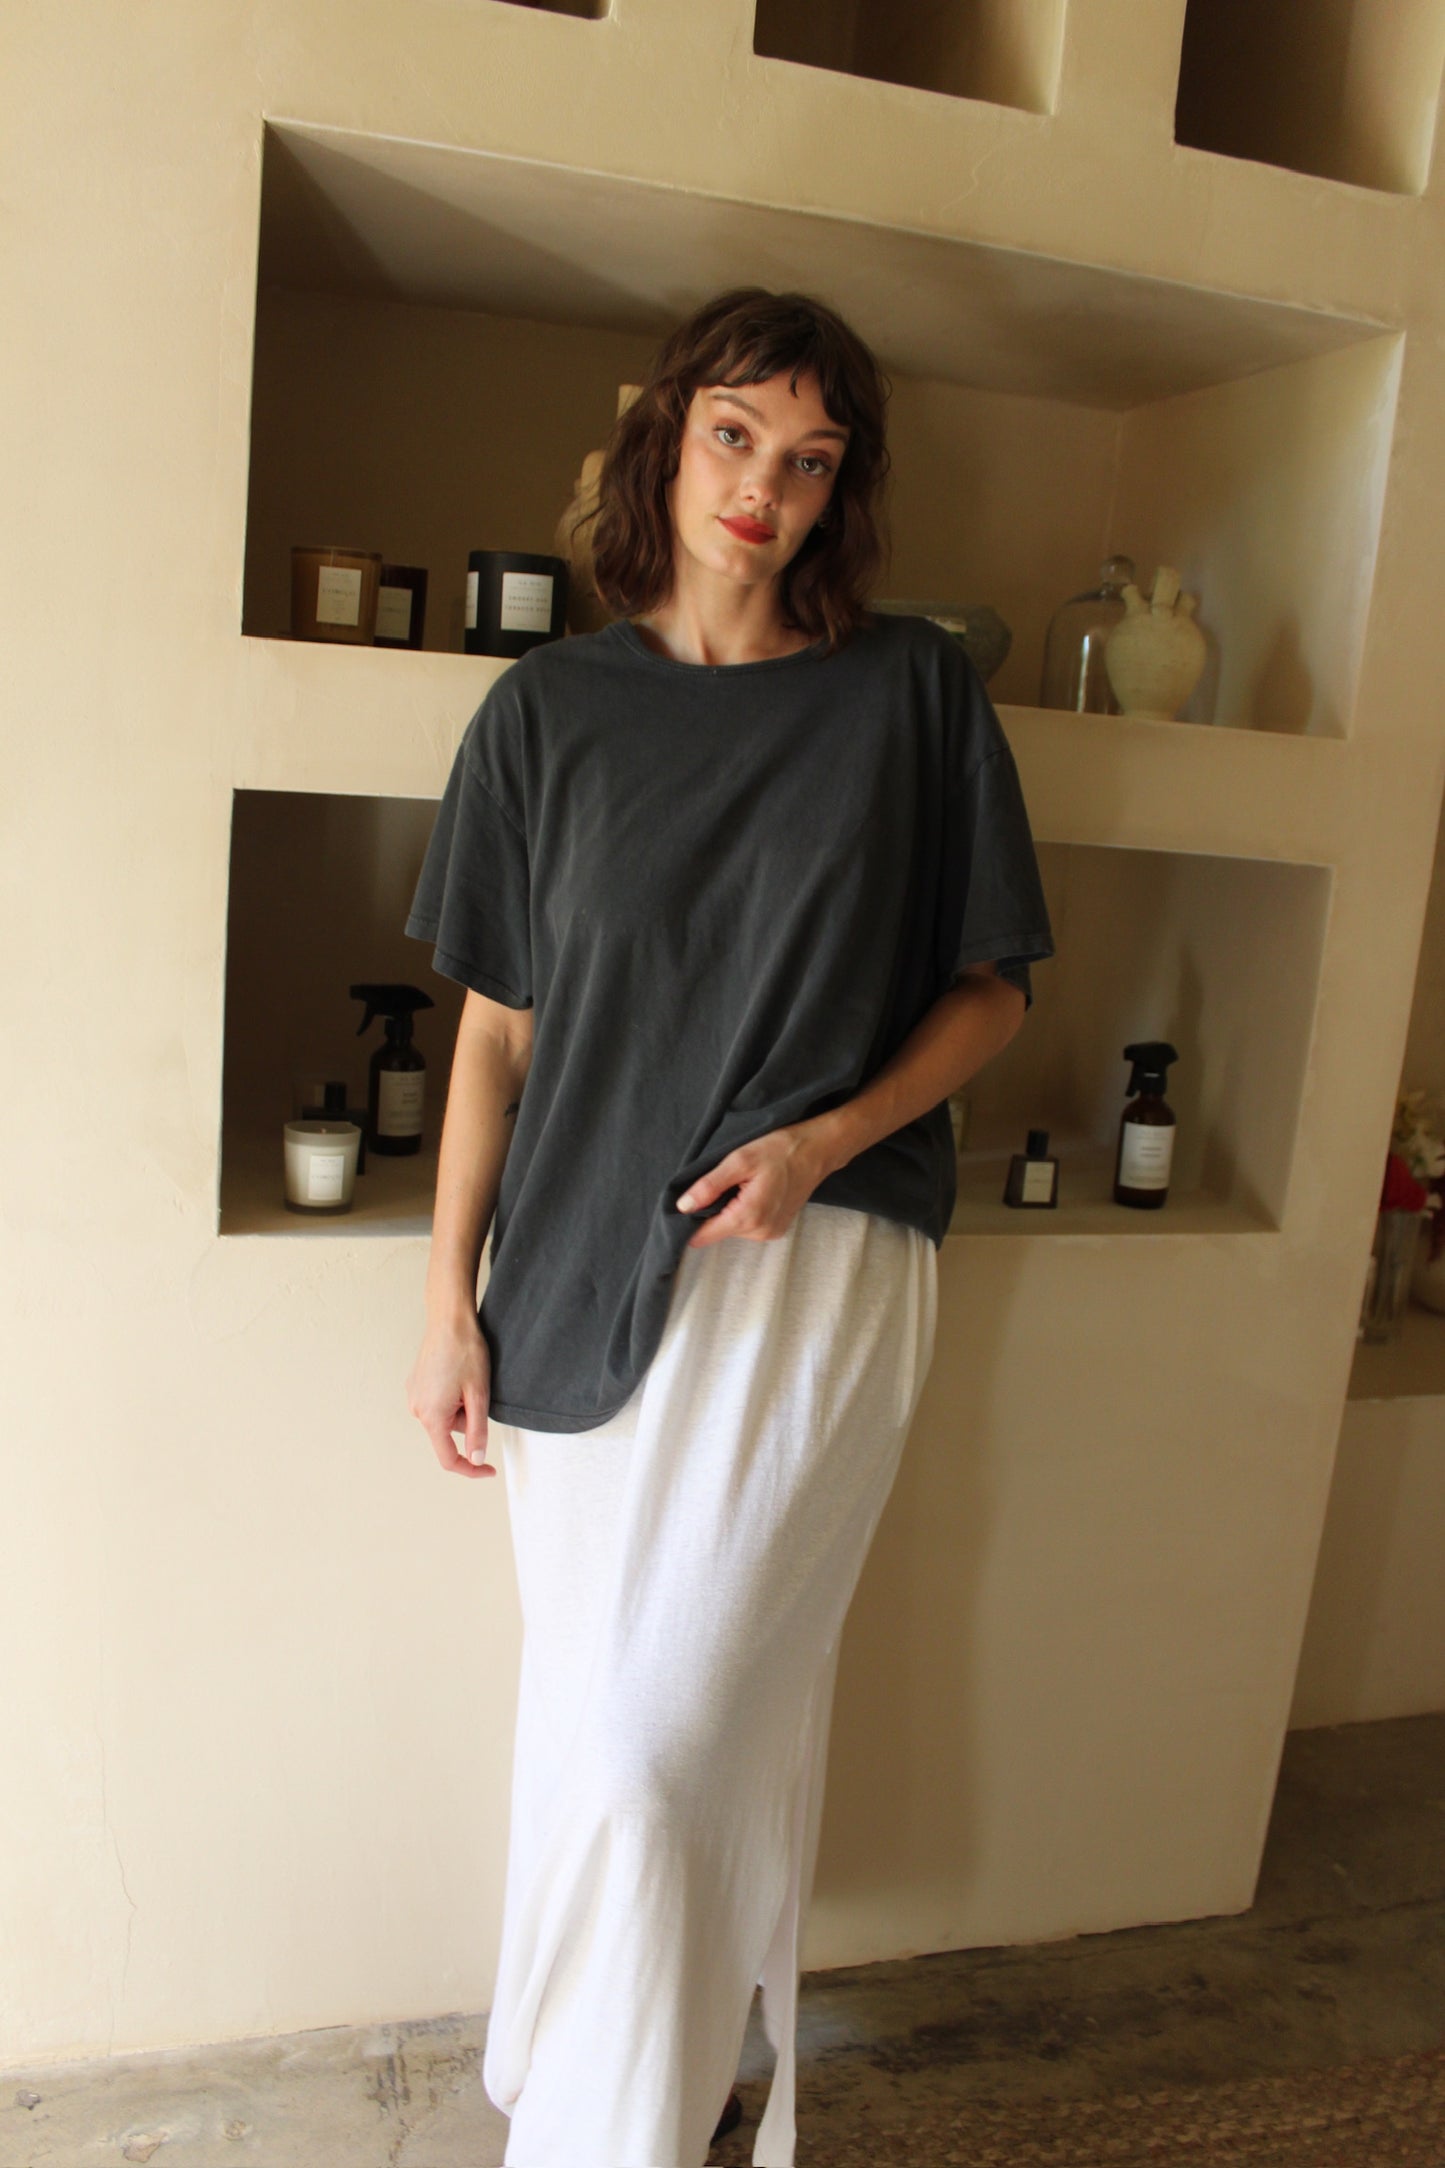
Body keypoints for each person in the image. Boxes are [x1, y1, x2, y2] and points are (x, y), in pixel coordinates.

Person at [403, 285, 1055, 2168]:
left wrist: (820, 1143)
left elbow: (991, 991)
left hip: (811, 1271)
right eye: (733, 436)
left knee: (657, 1741)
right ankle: (627, 2087)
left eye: (810, 459)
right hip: (570, 1289)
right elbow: (496, 1039)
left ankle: (601, 2130)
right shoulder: (544, 715)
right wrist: (446, 1303)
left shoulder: (910, 694)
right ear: (665, 436)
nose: (764, 486)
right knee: (592, 1732)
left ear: (841, 490)